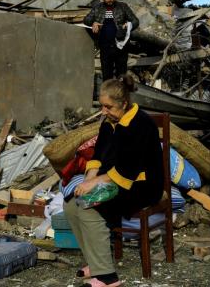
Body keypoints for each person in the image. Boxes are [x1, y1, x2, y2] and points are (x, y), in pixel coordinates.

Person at [63, 76, 163, 287]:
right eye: (102, 106)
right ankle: (95, 262)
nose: (104, 111)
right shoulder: (108, 124)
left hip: (141, 185)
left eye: (108, 107)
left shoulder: (141, 124)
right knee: (72, 204)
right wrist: (89, 179)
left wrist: (95, 183)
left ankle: (108, 277)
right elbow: (98, 155)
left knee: (91, 207)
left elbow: (129, 168)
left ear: (123, 104)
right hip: (114, 180)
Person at [83, 0, 139, 81]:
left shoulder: (123, 6)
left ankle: (120, 95)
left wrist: (128, 26)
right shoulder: (97, 8)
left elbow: (135, 21)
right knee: (106, 77)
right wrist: (94, 22)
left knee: (121, 77)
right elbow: (86, 20)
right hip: (105, 48)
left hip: (121, 46)